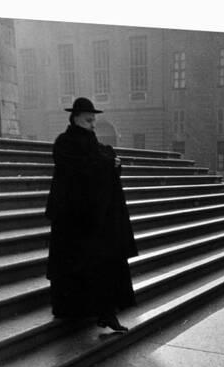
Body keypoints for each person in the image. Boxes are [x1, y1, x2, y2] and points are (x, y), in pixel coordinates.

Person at [45, 97, 138, 332]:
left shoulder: (91, 141)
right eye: (88, 119)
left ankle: (103, 311)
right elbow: (79, 170)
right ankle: (87, 310)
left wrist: (112, 163)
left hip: (90, 215)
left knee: (97, 262)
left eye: (94, 119)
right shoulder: (64, 143)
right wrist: (108, 163)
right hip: (72, 217)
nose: (93, 123)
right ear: (75, 118)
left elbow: (99, 161)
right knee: (81, 263)